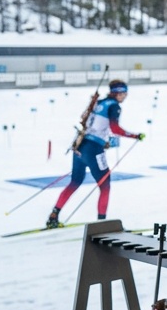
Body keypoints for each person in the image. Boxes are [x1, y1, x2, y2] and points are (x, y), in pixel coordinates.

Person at [46, 80, 145, 227]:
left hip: (80, 145)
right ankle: (101, 222)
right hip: (93, 149)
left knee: (75, 182)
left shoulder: (100, 102)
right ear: (117, 93)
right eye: (124, 93)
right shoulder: (114, 106)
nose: (125, 96)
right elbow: (115, 129)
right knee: (105, 185)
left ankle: (54, 215)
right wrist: (135, 136)